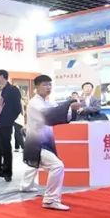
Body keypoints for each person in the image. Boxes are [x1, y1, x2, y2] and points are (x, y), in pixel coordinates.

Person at [20, 75, 78, 210]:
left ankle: (26, 186)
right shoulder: (34, 103)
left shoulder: (47, 102)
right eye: (45, 84)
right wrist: (68, 103)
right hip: (36, 143)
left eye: (50, 84)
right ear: (37, 87)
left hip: (44, 142)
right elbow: (49, 115)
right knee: (57, 166)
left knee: (36, 164)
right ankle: (50, 199)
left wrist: (73, 109)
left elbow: (63, 116)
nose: (48, 87)